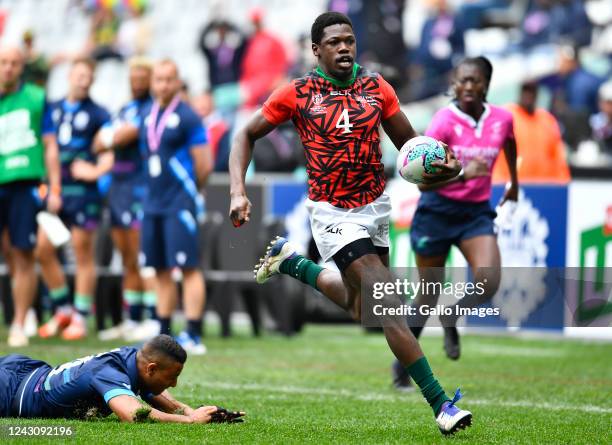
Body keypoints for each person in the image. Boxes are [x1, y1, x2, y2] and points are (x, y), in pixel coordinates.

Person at [229, 12, 472, 436]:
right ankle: (441, 405)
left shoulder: (377, 88)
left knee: (364, 308)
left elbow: (412, 152)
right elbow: (244, 135)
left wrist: (448, 170)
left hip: (373, 207)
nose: (344, 48)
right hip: (332, 212)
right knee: (388, 300)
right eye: (335, 42)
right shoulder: (299, 92)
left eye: (350, 40)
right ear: (316, 50)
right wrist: (237, 189)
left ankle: (293, 263)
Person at [392, 57, 518, 389]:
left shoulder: (502, 118)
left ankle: (452, 315)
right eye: (461, 80)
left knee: (488, 281)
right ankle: (402, 365)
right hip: (436, 211)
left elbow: (509, 142)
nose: (466, 87)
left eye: (473, 80)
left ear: (486, 84)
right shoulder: (444, 122)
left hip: (475, 213)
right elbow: (422, 182)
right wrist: (463, 171)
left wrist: (514, 183)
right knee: (428, 293)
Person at [106, 59, 213, 355]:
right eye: (159, 80)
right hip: (152, 203)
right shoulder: (148, 116)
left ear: (178, 82)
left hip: (179, 203)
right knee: (161, 269)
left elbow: (203, 164)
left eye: (169, 79)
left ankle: (193, 332)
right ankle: (163, 331)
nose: (163, 85)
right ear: (153, 83)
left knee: (189, 268)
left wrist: (188, 193)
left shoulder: (188, 116)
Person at [0, 334, 245, 423]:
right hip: (10, 391)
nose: (174, 384)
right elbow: (134, 414)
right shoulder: (110, 374)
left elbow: (149, 392)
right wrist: (190, 423)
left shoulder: (133, 358)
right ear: (151, 368)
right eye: (172, 377)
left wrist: (192, 411)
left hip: (29, 371)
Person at [37, 57, 113, 341]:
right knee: (42, 249)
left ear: (92, 80)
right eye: (79, 74)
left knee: (83, 252)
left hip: (83, 194)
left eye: (88, 76)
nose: (83, 80)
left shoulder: (99, 113)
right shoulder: (52, 108)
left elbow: (108, 151)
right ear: (70, 75)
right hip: (57, 191)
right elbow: (45, 147)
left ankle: (80, 316)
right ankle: (63, 309)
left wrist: (96, 171)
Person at [0, 45, 62, 348]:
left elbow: (50, 145)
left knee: (24, 252)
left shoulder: (36, 98)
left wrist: (55, 186)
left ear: (22, 66)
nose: (8, 68)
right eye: (3, 63)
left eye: (14, 63)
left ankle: (20, 321)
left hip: (24, 183)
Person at [95, 57, 156, 341]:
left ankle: (153, 317)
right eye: (135, 74)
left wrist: (111, 138)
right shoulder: (124, 108)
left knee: (142, 254)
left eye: (144, 75)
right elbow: (99, 142)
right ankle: (132, 318)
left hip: (138, 185)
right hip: (117, 186)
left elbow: (121, 138)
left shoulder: (149, 109)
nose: (138, 79)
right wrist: (110, 138)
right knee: (127, 257)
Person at [493, 80, 570, 183]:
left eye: (532, 91)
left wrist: (563, 181)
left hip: (544, 186)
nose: (528, 95)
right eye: (526, 91)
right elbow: (495, 151)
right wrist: (497, 183)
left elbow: (558, 155)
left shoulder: (547, 119)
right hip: (512, 185)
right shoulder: (506, 116)